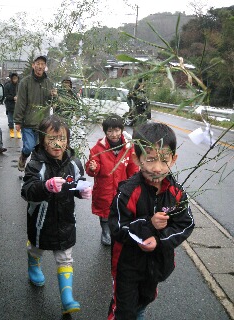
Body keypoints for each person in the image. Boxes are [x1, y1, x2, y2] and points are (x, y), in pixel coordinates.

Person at [108, 122, 195, 320]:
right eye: (150, 159)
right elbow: (118, 228)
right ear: (137, 159)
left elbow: (185, 224)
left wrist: (161, 239)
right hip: (127, 266)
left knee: (144, 302)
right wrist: (148, 225)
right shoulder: (128, 192)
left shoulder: (176, 192)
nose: (157, 168)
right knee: (124, 310)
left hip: (157, 264)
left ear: (173, 160)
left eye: (164, 160)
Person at [21, 114, 92, 315]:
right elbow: (27, 190)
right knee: (37, 248)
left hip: (66, 220)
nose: (57, 143)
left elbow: (77, 183)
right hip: (40, 222)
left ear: (68, 140)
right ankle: (33, 264)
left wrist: (82, 191)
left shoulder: (74, 162)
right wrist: (45, 186)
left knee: (65, 258)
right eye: (51, 139)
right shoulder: (35, 163)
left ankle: (67, 299)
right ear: (42, 141)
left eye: (61, 138)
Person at [85, 114, 139, 246]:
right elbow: (91, 170)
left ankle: (119, 232)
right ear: (105, 131)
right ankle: (105, 232)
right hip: (105, 188)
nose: (113, 134)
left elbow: (133, 169)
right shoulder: (97, 149)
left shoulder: (128, 148)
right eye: (110, 131)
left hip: (122, 189)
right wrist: (93, 168)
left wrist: (134, 183)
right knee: (104, 213)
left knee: (122, 211)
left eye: (116, 130)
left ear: (121, 130)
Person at [14, 55, 57, 171]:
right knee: (29, 147)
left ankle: (34, 172)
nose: (40, 66)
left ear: (45, 67)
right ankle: (23, 157)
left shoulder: (49, 83)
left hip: (43, 124)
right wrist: (18, 121)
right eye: (38, 63)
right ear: (33, 65)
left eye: (43, 64)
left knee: (39, 150)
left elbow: (52, 103)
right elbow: (21, 102)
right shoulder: (25, 82)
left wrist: (54, 96)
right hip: (28, 122)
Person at [4, 72, 20, 138]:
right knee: (10, 121)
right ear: (11, 79)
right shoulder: (7, 85)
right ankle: (11, 131)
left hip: (18, 106)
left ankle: (18, 132)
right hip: (10, 106)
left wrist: (18, 97)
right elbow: (6, 95)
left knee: (18, 121)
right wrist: (13, 98)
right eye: (13, 78)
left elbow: (22, 94)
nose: (15, 80)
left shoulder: (19, 85)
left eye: (16, 78)